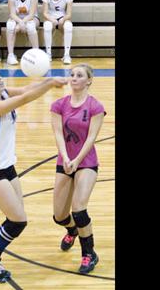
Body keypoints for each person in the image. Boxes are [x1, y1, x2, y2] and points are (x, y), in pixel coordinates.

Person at [0, 69, 67, 282]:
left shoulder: (4, 93)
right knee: (18, 221)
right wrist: (51, 82)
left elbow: (26, 89)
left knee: (16, 220)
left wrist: (47, 81)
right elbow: (25, 98)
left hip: (8, 168)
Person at [50, 64, 106, 274]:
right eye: (72, 74)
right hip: (64, 161)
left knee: (79, 209)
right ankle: (71, 229)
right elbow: (57, 134)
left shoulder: (95, 106)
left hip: (86, 162)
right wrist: (65, 158)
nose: (74, 78)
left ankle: (89, 254)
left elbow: (91, 138)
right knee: (59, 216)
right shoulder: (58, 105)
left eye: (79, 75)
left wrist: (76, 160)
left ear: (89, 81)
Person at [5, 0, 39, 65]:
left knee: (31, 26)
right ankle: (10, 55)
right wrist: (20, 22)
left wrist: (21, 24)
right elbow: (12, 14)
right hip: (16, 18)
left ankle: (36, 54)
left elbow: (31, 15)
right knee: (10, 26)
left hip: (31, 18)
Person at [42, 0, 74, 64]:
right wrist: (52, 20)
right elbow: (45, 13)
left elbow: (69, 14)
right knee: (47, 26)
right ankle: (48, 54)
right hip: (51, 17)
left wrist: (63, 19)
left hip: (62, 17)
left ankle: (67, 55)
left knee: (68, 26)